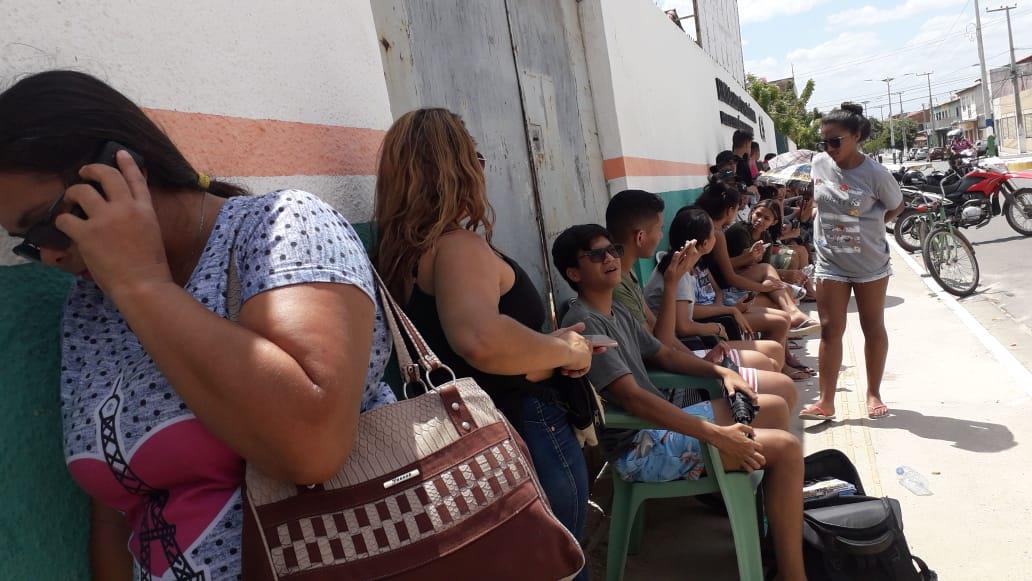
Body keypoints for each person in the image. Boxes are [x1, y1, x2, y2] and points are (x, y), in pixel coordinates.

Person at [0, 71, 397, 580]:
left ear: (118, 165)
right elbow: (116, 511)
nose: (49, 254)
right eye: (26, 243)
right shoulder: (90, 308)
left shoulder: (281, 228)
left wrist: (144, 285)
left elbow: (309, 447)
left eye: (44, 222)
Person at [373, 107, 595, 569]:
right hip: (521, 430)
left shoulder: (399, 256)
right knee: (560, 565)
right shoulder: (457, 247)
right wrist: (567, 349)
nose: (481, 168)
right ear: (455, 168)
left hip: (460, 443)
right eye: (475, 155)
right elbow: (481, 341)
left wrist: (541, 345)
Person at [552, 224, 806, 581]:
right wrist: (716, 435)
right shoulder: (584, 321)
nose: (610, 258)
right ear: (574, 273)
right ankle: (795, 574)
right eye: (596, 255)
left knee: (774, 407)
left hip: (658, 428)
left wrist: (721, 374)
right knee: (787, 448)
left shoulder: (614, 310)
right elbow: (634, 399)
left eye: (612, 250)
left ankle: (771, 525)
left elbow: (663, 354)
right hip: (639, 447)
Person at [603, 190, 796, 408]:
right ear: (640, 237)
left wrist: (702, 362)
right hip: (670, 385)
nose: (661, 235)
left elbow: (660, 336)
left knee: (774, 369)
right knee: (780, 390)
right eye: (659, 228)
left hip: (679, 361)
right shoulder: (622, 286)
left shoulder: (629, 276)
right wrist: (709, 361)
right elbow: (665, 344)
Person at [800, 102, 904, 421]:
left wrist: (871, 225)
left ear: (856, 136)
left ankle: (874, 393)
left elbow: (896, 206)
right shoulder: (818, 164)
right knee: (831, 330)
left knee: (872, 327)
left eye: (836, 141)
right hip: (830, 263)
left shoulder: (876, 174)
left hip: (870, 265)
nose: (829, 149)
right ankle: (825, 401)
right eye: (825, 142)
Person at [644, 206, 812, 384]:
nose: (716, 235)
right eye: (712, 233)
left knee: (778, 328)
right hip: (692, 340)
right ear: (702, 242)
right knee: (773, 352)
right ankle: (774, 378)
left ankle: (778, 369)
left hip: (708, 321)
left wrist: (724, 308)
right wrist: (718, 324)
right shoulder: (679, 272)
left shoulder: (694, 262)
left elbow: (711, 293)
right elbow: (683, 325)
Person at [695, 182, 820, 335]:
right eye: (758, 214)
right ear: (730, 210)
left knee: (772, 277)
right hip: (724, 287)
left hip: (722, 285)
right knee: (773, 292)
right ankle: (792, 314)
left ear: (773, 222)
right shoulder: (733, 231)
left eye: (767, 218)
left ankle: (791, 322)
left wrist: (768, 278)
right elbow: (726, 272)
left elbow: (720, 267)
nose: (760, 220)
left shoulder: (762, 235)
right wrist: (765, 286)